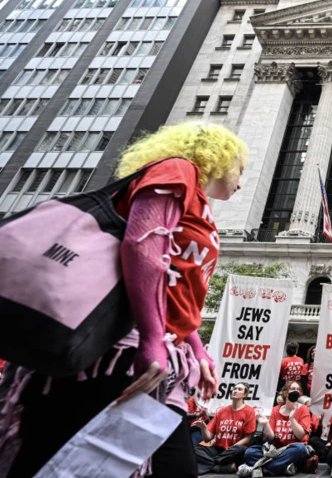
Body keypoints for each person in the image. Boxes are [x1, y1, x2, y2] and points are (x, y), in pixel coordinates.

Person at [1, 122, 245, 478]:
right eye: (241, 166)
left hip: (160, 361)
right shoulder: (178, 168)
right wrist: (150, 338)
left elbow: (175, 290)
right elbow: (143, 245)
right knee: (55, 461)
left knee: (163, 467)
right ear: (218, 157)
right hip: (115, 351)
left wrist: (197, 346)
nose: (242, 177)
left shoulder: (202, 209)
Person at [241, 381, 311, 476]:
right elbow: (271, 437)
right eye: (293, 389)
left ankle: (259, 468)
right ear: (285, 392)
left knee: (300, 449)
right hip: (275, 451)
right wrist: (265, 423)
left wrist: (292, 418)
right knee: (250, 452)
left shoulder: (303, 409)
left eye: (298, 389)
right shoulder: (275, 410)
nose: (296, 391)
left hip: (292, 449)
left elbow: (300, 435)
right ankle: (281, 468)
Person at [194, 382, 258, 474]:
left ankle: (210, 463)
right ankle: (217, 466)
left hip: (233, 450)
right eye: (234, 388)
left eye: (239, 389)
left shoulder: (249, 411)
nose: (235, 391)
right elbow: (208, 438)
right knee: (195, 448)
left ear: (245, 394)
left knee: (240, 449)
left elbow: (248, 438)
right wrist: (203, 428)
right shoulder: (222, 411)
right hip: (218, 449)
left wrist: (231, 448)